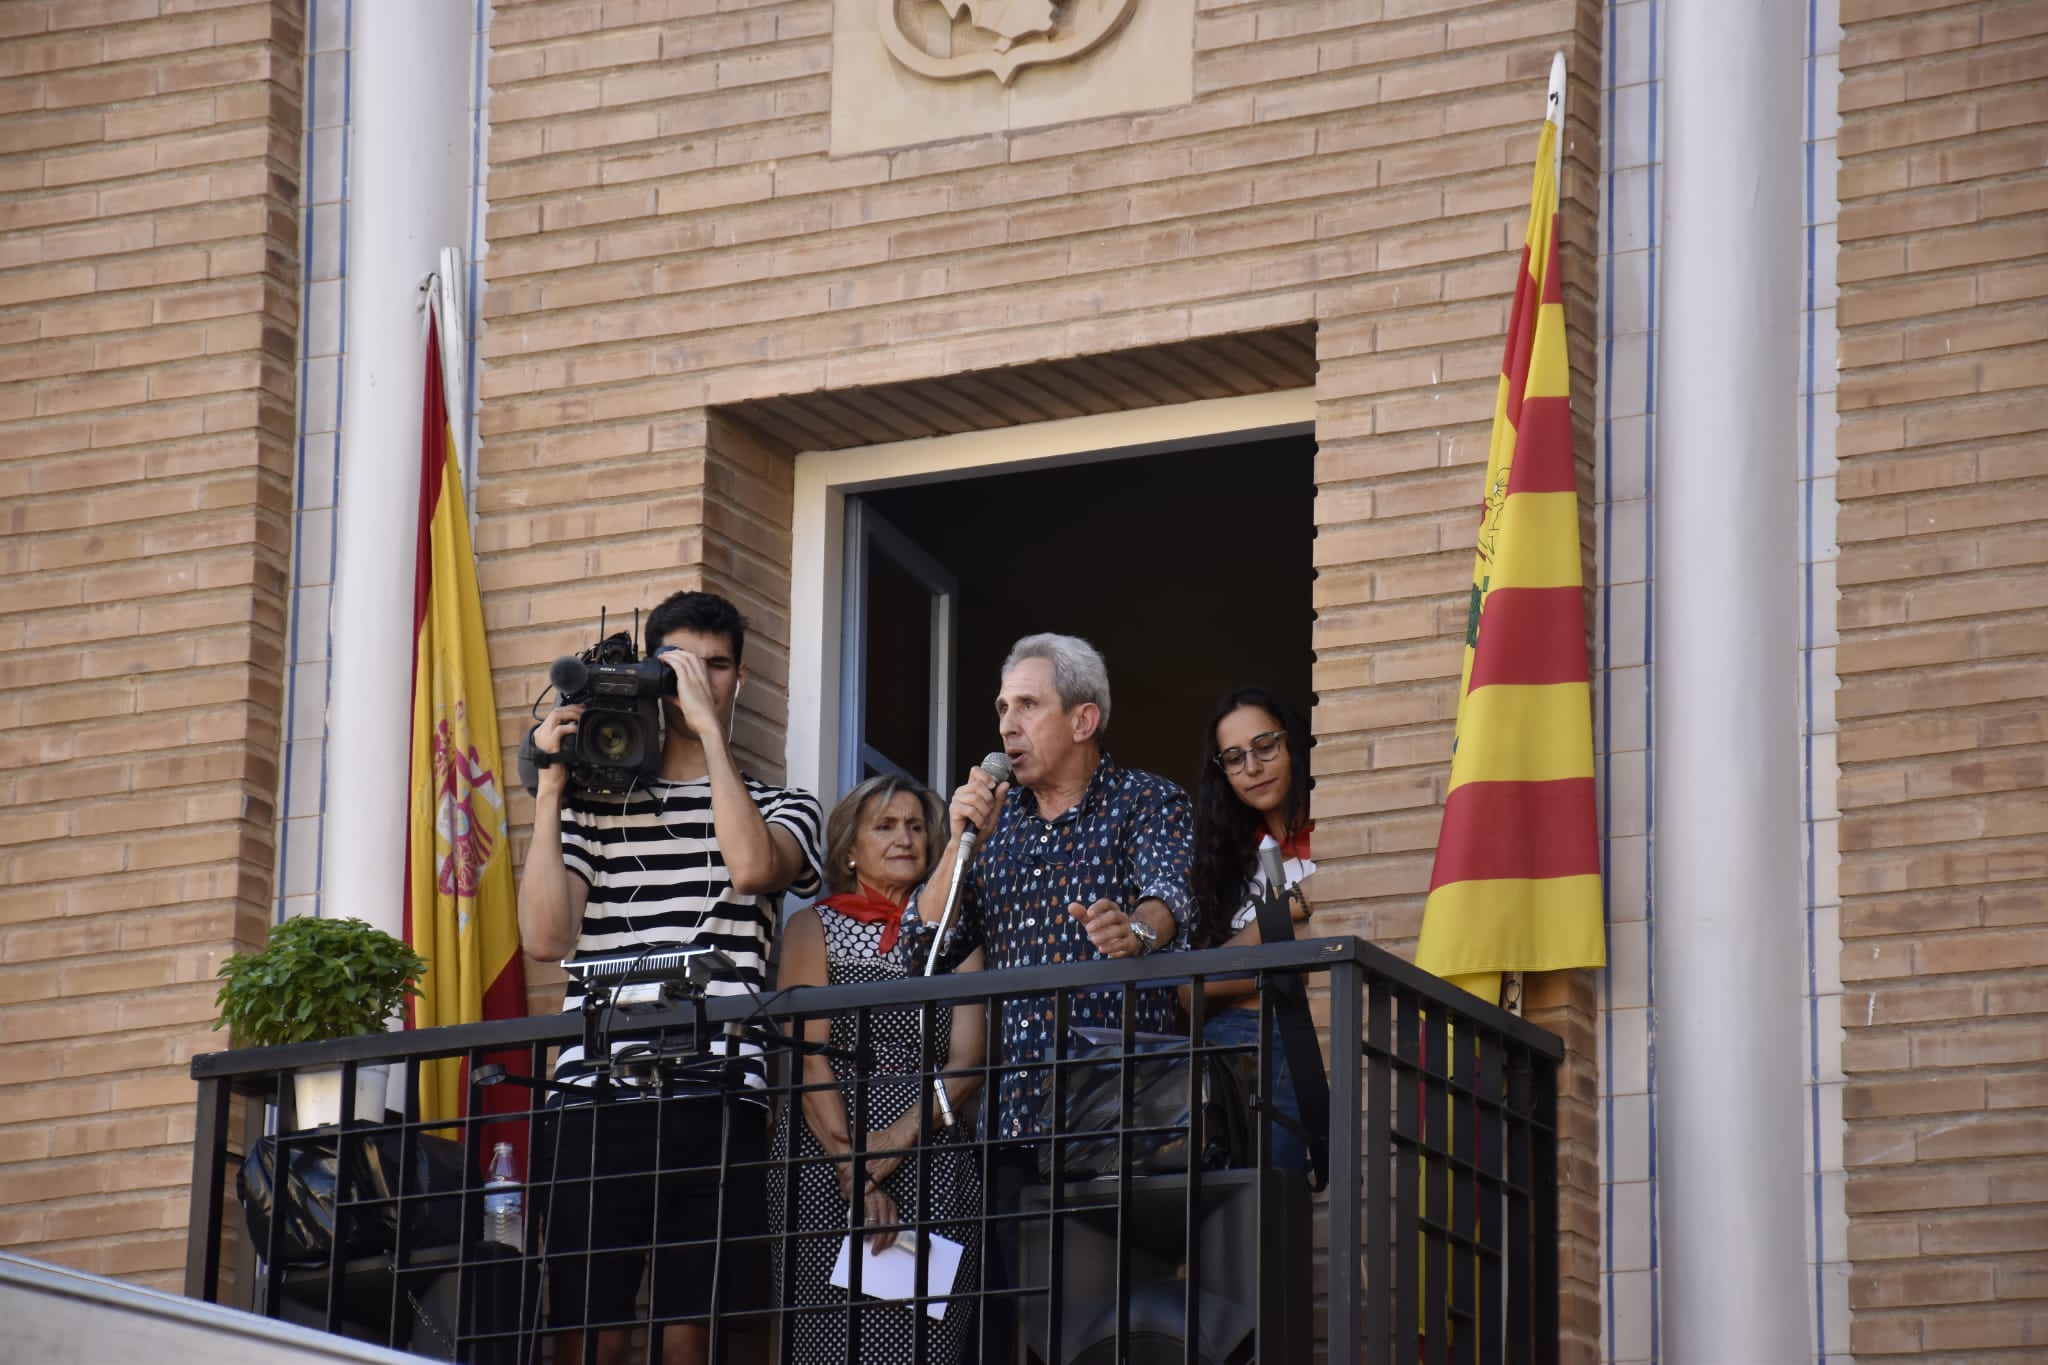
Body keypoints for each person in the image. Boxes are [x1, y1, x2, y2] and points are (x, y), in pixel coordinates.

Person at [518, 589, 824, 1365]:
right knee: (589, 1336)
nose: (697, 679)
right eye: (678, 665)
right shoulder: (595, 808)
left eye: (714, 666)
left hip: (719, 1094)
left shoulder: (782, 804)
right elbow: (545, 936)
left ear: (738, 681)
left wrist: (710, 737)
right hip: (594, 1095)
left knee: (696, 1337)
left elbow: (755, 866)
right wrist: (553, 792)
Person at [773, 775, 985, 1365]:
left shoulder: (956, 935)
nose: (905, 838)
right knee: (828, 1345)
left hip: (933, 1157)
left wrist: (895, 1141)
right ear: (849, 848)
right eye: (885, 826)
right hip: (824, 1157)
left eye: (917, 827)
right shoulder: (812, 926)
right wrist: (858, 1174)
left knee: (921, 1346)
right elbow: (805, 1056)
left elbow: (967, 1063)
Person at [1183, 686, 1316, 1175]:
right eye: (1234, 758)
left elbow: (1336, 947)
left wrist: (1248, 956)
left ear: (1295, 743)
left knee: (1266, 1202)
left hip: (1298, 1036)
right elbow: (1191, 986)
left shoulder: (1339, 835)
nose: (1252, 769)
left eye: (1266, 747)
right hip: (1224, 1047)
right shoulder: (1225, 860)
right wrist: (1287, 914)